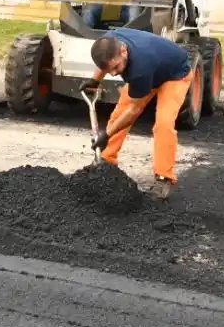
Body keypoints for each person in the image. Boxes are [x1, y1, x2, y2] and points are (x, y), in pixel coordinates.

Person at [81, 28, 195, 201]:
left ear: (124, 51)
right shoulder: (108, 43)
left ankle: (163, 177)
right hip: (152, 68)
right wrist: (95, 80)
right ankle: (106, 160)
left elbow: (133, 112)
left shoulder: (140, 68)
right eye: (109, 69)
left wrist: (107, 134)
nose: (113, 74)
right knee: (119, 112)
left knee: (163, 124)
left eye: (116, 67)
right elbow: (106, 62)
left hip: (174, 76)